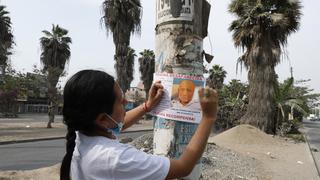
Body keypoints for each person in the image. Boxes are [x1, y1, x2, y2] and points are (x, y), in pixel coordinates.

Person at [60, 70, 218, 180]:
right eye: (121, 101)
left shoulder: (82, 133)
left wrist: (147, 106)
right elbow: (183, 167)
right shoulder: (117, 158)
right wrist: (208, 117)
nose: (126, 102)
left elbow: (117, 124)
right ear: (102, 119)